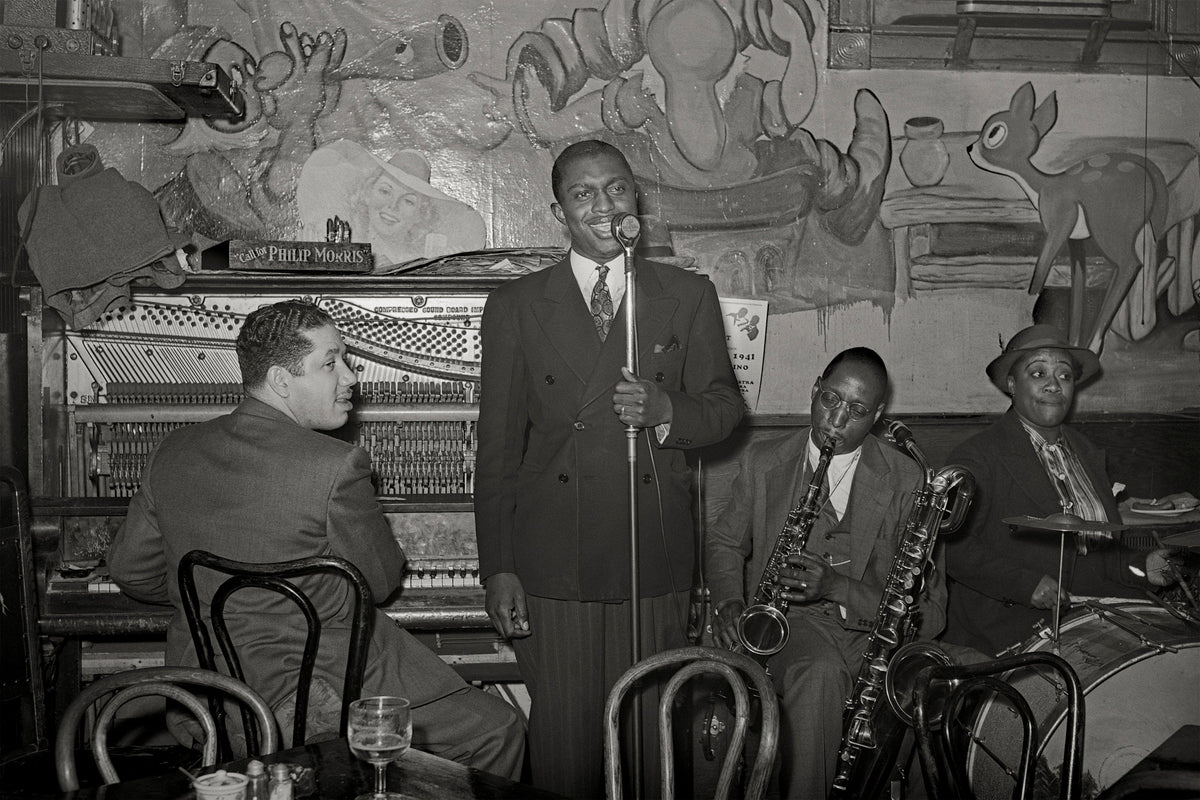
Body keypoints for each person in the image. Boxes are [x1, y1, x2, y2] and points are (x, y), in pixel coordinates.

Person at [108, 300, 524, 776]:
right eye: (330, 363)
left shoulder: (173, 451)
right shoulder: (335, 465)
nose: (350, 377)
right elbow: (382, 581)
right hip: (310, 698)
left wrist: (213, 601)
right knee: (497, 732)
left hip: (208, 698)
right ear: (282, 381)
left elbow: (131, 571)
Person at [474, 139, 744, 797]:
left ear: (636, 200)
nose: (603, 204)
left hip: (650, 552)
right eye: (583, 193)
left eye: (616, 188)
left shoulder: (686, 294)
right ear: (557, 210)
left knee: (652, 742)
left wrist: (664, 407)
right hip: (550, 559)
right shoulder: (516, 306)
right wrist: (498, 566)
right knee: (566, 746)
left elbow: (726, 412)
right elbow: (499, 451)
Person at [706, 347, 939, 800]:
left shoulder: (908, 479)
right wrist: (732, 604)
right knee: (820, 675)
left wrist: (837, 587)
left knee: (946, 678)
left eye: (856, 410)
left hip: (877, 630)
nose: (836, 419)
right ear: (814, 390)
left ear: (876, 416)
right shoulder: (763, 460)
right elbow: (725, 543)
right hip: (791, 625)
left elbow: (931, 609)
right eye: (830, 399)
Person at [942, 324, 1178, 656]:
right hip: (1011, 629)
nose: (1054, 384)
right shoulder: (978, 456)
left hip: (1092, 617)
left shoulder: (1087, 453)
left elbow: (1100, 556)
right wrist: (1024, 584)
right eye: (1038, 373)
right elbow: (951, 550)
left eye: (1065, 376)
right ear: (1012, 385)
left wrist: (1145, 567)